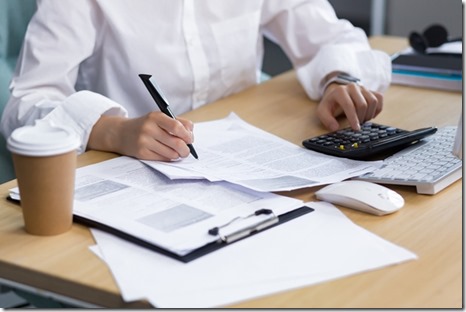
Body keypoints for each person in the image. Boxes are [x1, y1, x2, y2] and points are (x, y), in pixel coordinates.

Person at [1, 0, 391, 162]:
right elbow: (27, 100)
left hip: (250, 160)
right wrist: (110, 130)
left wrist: (339, 79)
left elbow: (330, 36)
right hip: (135, 170)